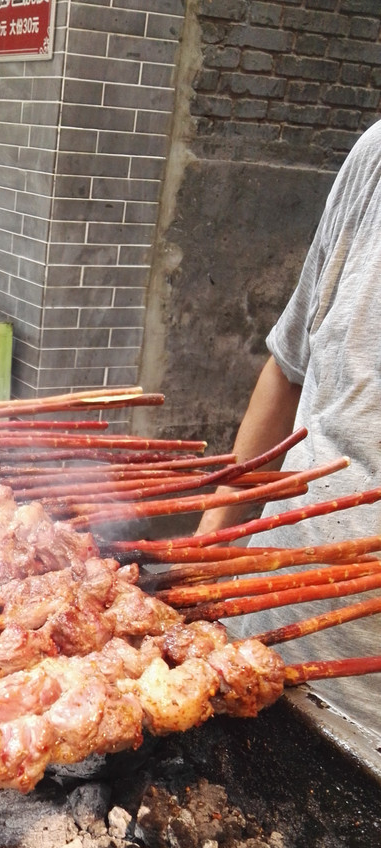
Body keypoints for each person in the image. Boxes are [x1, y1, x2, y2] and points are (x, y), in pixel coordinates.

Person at [197, 117, 381, 737]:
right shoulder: (375, 157)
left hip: (367, 717)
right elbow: (289, 367)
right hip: (253, 648)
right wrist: (208, 553)